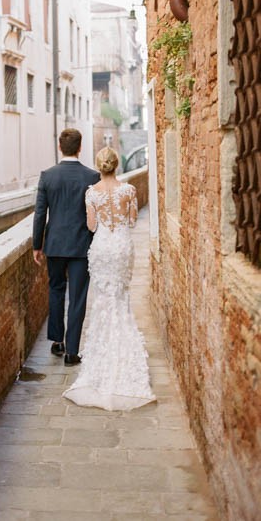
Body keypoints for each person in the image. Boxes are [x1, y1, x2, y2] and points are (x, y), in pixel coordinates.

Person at [63, 147, 156, 410]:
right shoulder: (128, 190)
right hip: (121, 246)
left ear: (99, 166)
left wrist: (104, 221)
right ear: (116, 166)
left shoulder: (91, 193)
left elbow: (92, 226)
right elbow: (132, 220)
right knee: (121, 297)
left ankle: (102, 359)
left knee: (103, 300)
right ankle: (124, 354)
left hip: (102, 247)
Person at [32, 128, 100, 365]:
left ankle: (57, 341)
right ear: (79, 148)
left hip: (55, 244)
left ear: (60, 147)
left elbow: (40, 213)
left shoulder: (47, 176)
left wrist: (36, 245)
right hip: (82, 245)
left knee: (56, 290)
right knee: (78, 297)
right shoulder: (92, 177)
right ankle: (72, 351)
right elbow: (97, 215)